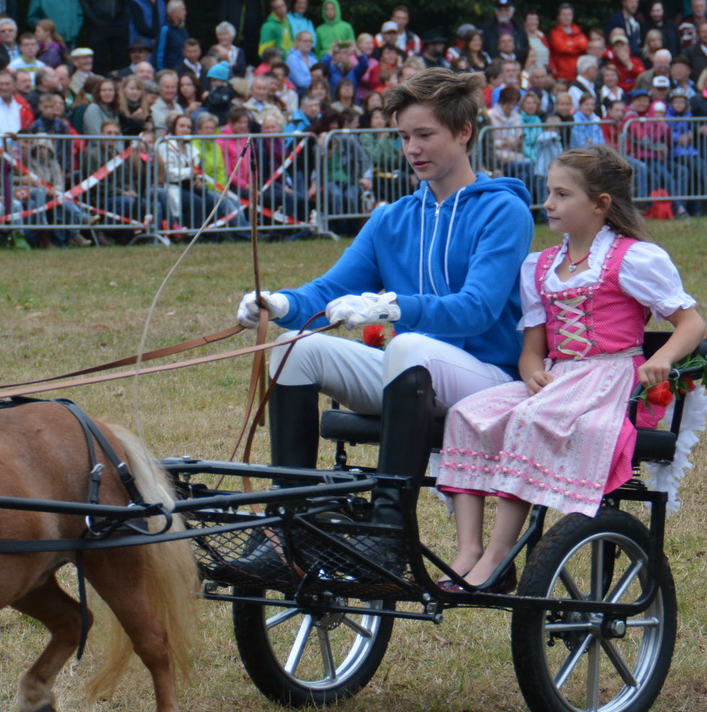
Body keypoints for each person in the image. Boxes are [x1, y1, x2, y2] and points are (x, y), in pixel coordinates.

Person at [225, 68, 534, 582]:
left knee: (409, 344)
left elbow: (477, 308)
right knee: (291, 348)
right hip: (411, 373)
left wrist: (394, 308)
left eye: (425, 135)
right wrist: (280, 303)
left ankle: (389, 534)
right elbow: (329, 292)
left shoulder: (504, 211)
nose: (412, 149)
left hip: (489, 381)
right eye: (404, 137)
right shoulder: (392, 218)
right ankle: (292, 525)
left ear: (464, 133)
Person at [436, 145, 706, 590]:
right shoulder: (540, 266)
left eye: (562, 195)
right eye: (549, 192)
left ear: (600, 205)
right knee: (467, 414)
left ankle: (501, 555)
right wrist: (529, 370)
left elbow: (691, 323)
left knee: (529, 418)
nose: (548, 204)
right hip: (561, 376)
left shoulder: (632, 258)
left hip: (609, 379)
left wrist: (661, 358)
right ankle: (469, 550)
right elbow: (532, 347)